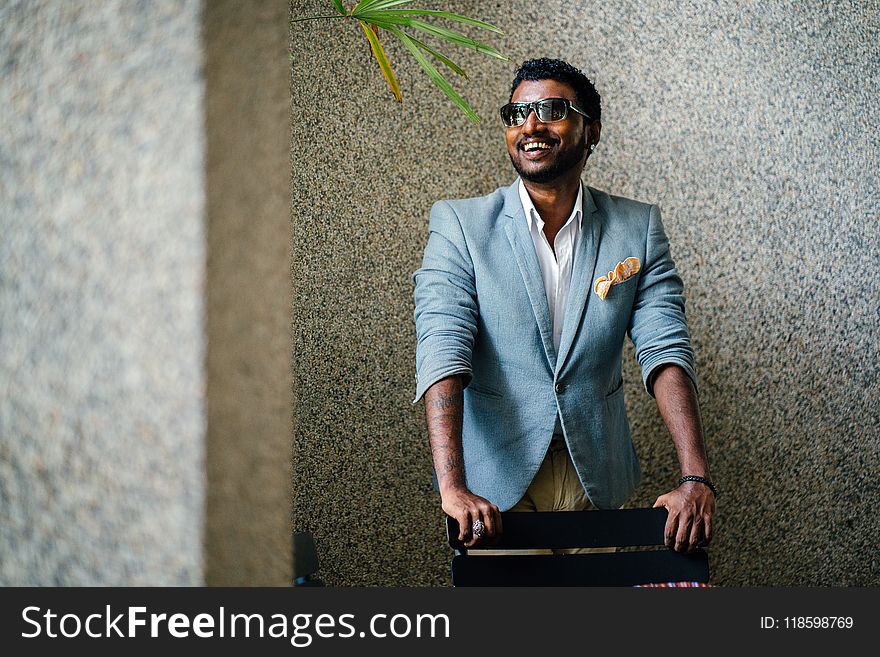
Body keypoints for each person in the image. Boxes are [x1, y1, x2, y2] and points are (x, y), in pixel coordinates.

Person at [412, 58, 715, 554]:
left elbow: (666, 349)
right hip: (493, 485)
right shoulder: (460, 226)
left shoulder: (636, 228)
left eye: (551, 110)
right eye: (516, 114)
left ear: (590, 130)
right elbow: (443, 348)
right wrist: (453, 486)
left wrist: (695, 477)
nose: (529, 126)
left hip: (595, 475)